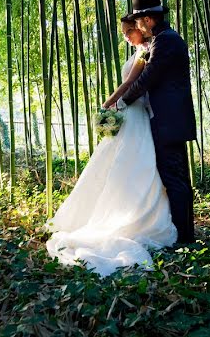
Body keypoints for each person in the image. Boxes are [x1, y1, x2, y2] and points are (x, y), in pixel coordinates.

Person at [44, 16, 178, 277]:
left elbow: (130, 84)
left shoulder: (146, 52)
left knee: (133, 161)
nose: (127, 36)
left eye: (130, 31)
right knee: (115, 161)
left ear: (141, 29)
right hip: (130, 111)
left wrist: (109, 101)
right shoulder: (141, 50)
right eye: (125, 33)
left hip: (135, 111)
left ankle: (135, 213)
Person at [113, 0, 197, 244]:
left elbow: (148, 78)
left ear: (148, 20)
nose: (137, 26)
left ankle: (184, 238)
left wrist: (122, 102)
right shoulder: (164, 40)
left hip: (168, 121)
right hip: (169, 120)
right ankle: (183, 234)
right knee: (176, 177)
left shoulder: (166, 41)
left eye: (138, 21)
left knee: (175, 179)